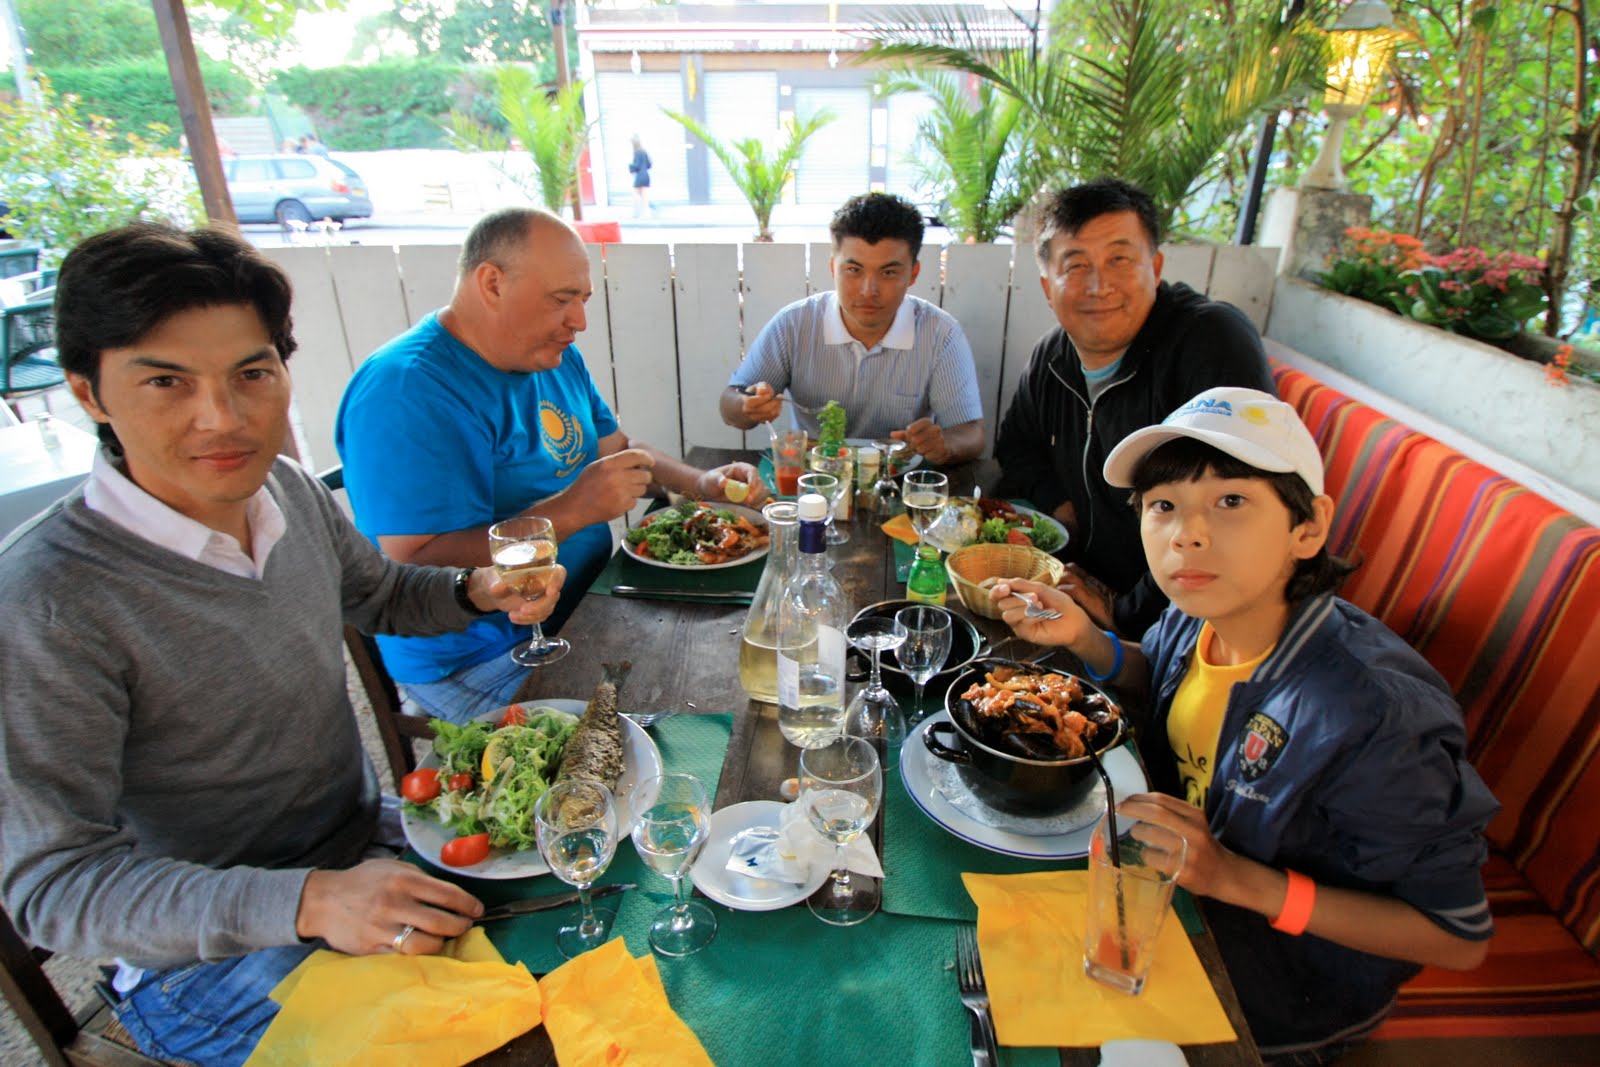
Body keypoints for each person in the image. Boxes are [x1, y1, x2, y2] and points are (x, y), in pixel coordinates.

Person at [0, 223, 566, 1067]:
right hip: (204, 954)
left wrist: (473, 588)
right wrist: (311, 900)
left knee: (600, 923)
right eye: (165, 380)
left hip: (368, 844)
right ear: (89, 392)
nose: (223, 418)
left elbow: (380, 593)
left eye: (252, 373)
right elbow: (55, 885)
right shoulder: (45, 600)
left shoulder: (285, 490)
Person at [988, 387, 1498, 1065]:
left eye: (1230, 500)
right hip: (1165, 895)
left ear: (1308, 527)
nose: (1187, 533)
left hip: (1282, 989)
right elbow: (1163, 676)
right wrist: (1085, 638)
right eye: (1163, 505)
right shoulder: (1201, 612)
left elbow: (1457, 935)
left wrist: (1235, 879)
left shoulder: (1374, 715)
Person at [336, 207, 764, 723]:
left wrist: (701, 483)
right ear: (492, 283)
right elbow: (412, 565)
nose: (579, 321)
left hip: (587, 604)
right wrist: (573, 510)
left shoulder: (551, 356)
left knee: (738, 657)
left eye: (583, 300)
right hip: (484, 657)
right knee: (682, 729)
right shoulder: (404, 392)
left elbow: (618, 452)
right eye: (562, 300)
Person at [994, 177, 1275, 635]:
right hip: (1081, 588)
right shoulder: (1053, 357)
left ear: (1155, 267)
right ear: (1047, 287)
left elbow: (1231, 511)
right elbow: (1015, 447)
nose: (1099, 285)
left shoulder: (1209, 340)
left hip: (1192, 623)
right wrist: (1064, 511)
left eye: (1119, 260)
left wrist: (1126, 612)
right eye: (1076, 265)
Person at [719, 191, 986, 465]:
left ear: (913, 274)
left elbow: (971, 432)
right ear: (833, 268)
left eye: (889, 272)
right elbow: (729, 403)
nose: (868, 290)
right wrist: (747, 405)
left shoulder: (941, 334)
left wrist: (944, 445)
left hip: (898, 478)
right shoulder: (793, 325)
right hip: (815, 478)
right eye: (854, 270)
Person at [628, 134, 652, 217]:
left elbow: (637, 165)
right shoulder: (644, 152)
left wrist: (630, 167)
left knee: (636, 194)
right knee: (644, 195)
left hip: (639, 176)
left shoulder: (637, 153)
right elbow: (649, 165)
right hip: (646, 176)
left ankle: (636, 212)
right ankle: (646, 213)